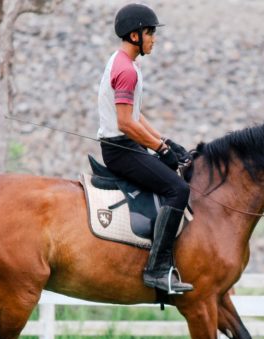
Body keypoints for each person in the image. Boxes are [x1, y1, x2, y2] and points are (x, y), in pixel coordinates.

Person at [97, 3, 193, 294]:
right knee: (179, 190)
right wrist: (160, 149)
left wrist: (165, 141)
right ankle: (157, 269)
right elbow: (126, 123)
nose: (154, 38)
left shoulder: (125, 64)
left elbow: (136, 115)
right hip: (121, 150)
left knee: (171, 169)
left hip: (126, 145)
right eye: (150, 33)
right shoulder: (127, 71)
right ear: (135, 35)